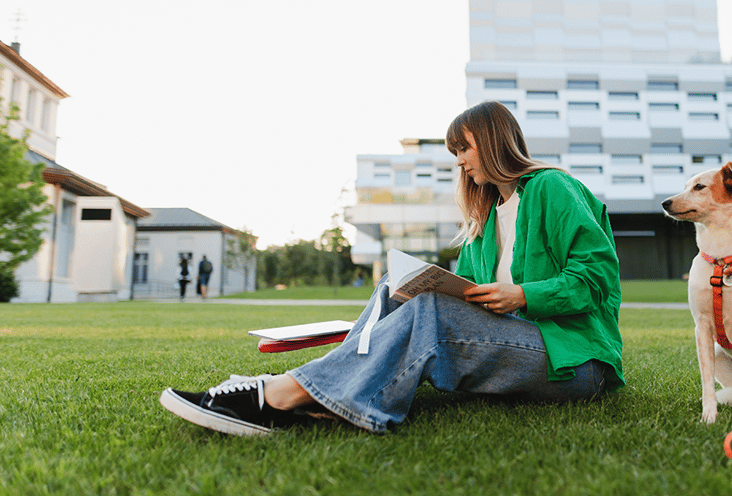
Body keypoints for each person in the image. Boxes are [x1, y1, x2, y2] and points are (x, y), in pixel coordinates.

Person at [159, 101, 624, 436]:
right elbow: (467, 294)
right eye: (455, 153)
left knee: (431, 315)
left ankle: (280, 396)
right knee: (391, 287)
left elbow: (597, 278)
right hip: (514, 343)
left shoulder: (552, 189)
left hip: (573, 360)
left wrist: (523, 295)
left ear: (492, 140)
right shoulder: (483, 221)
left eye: (464, 148)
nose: (460, 161)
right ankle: (316, 388)